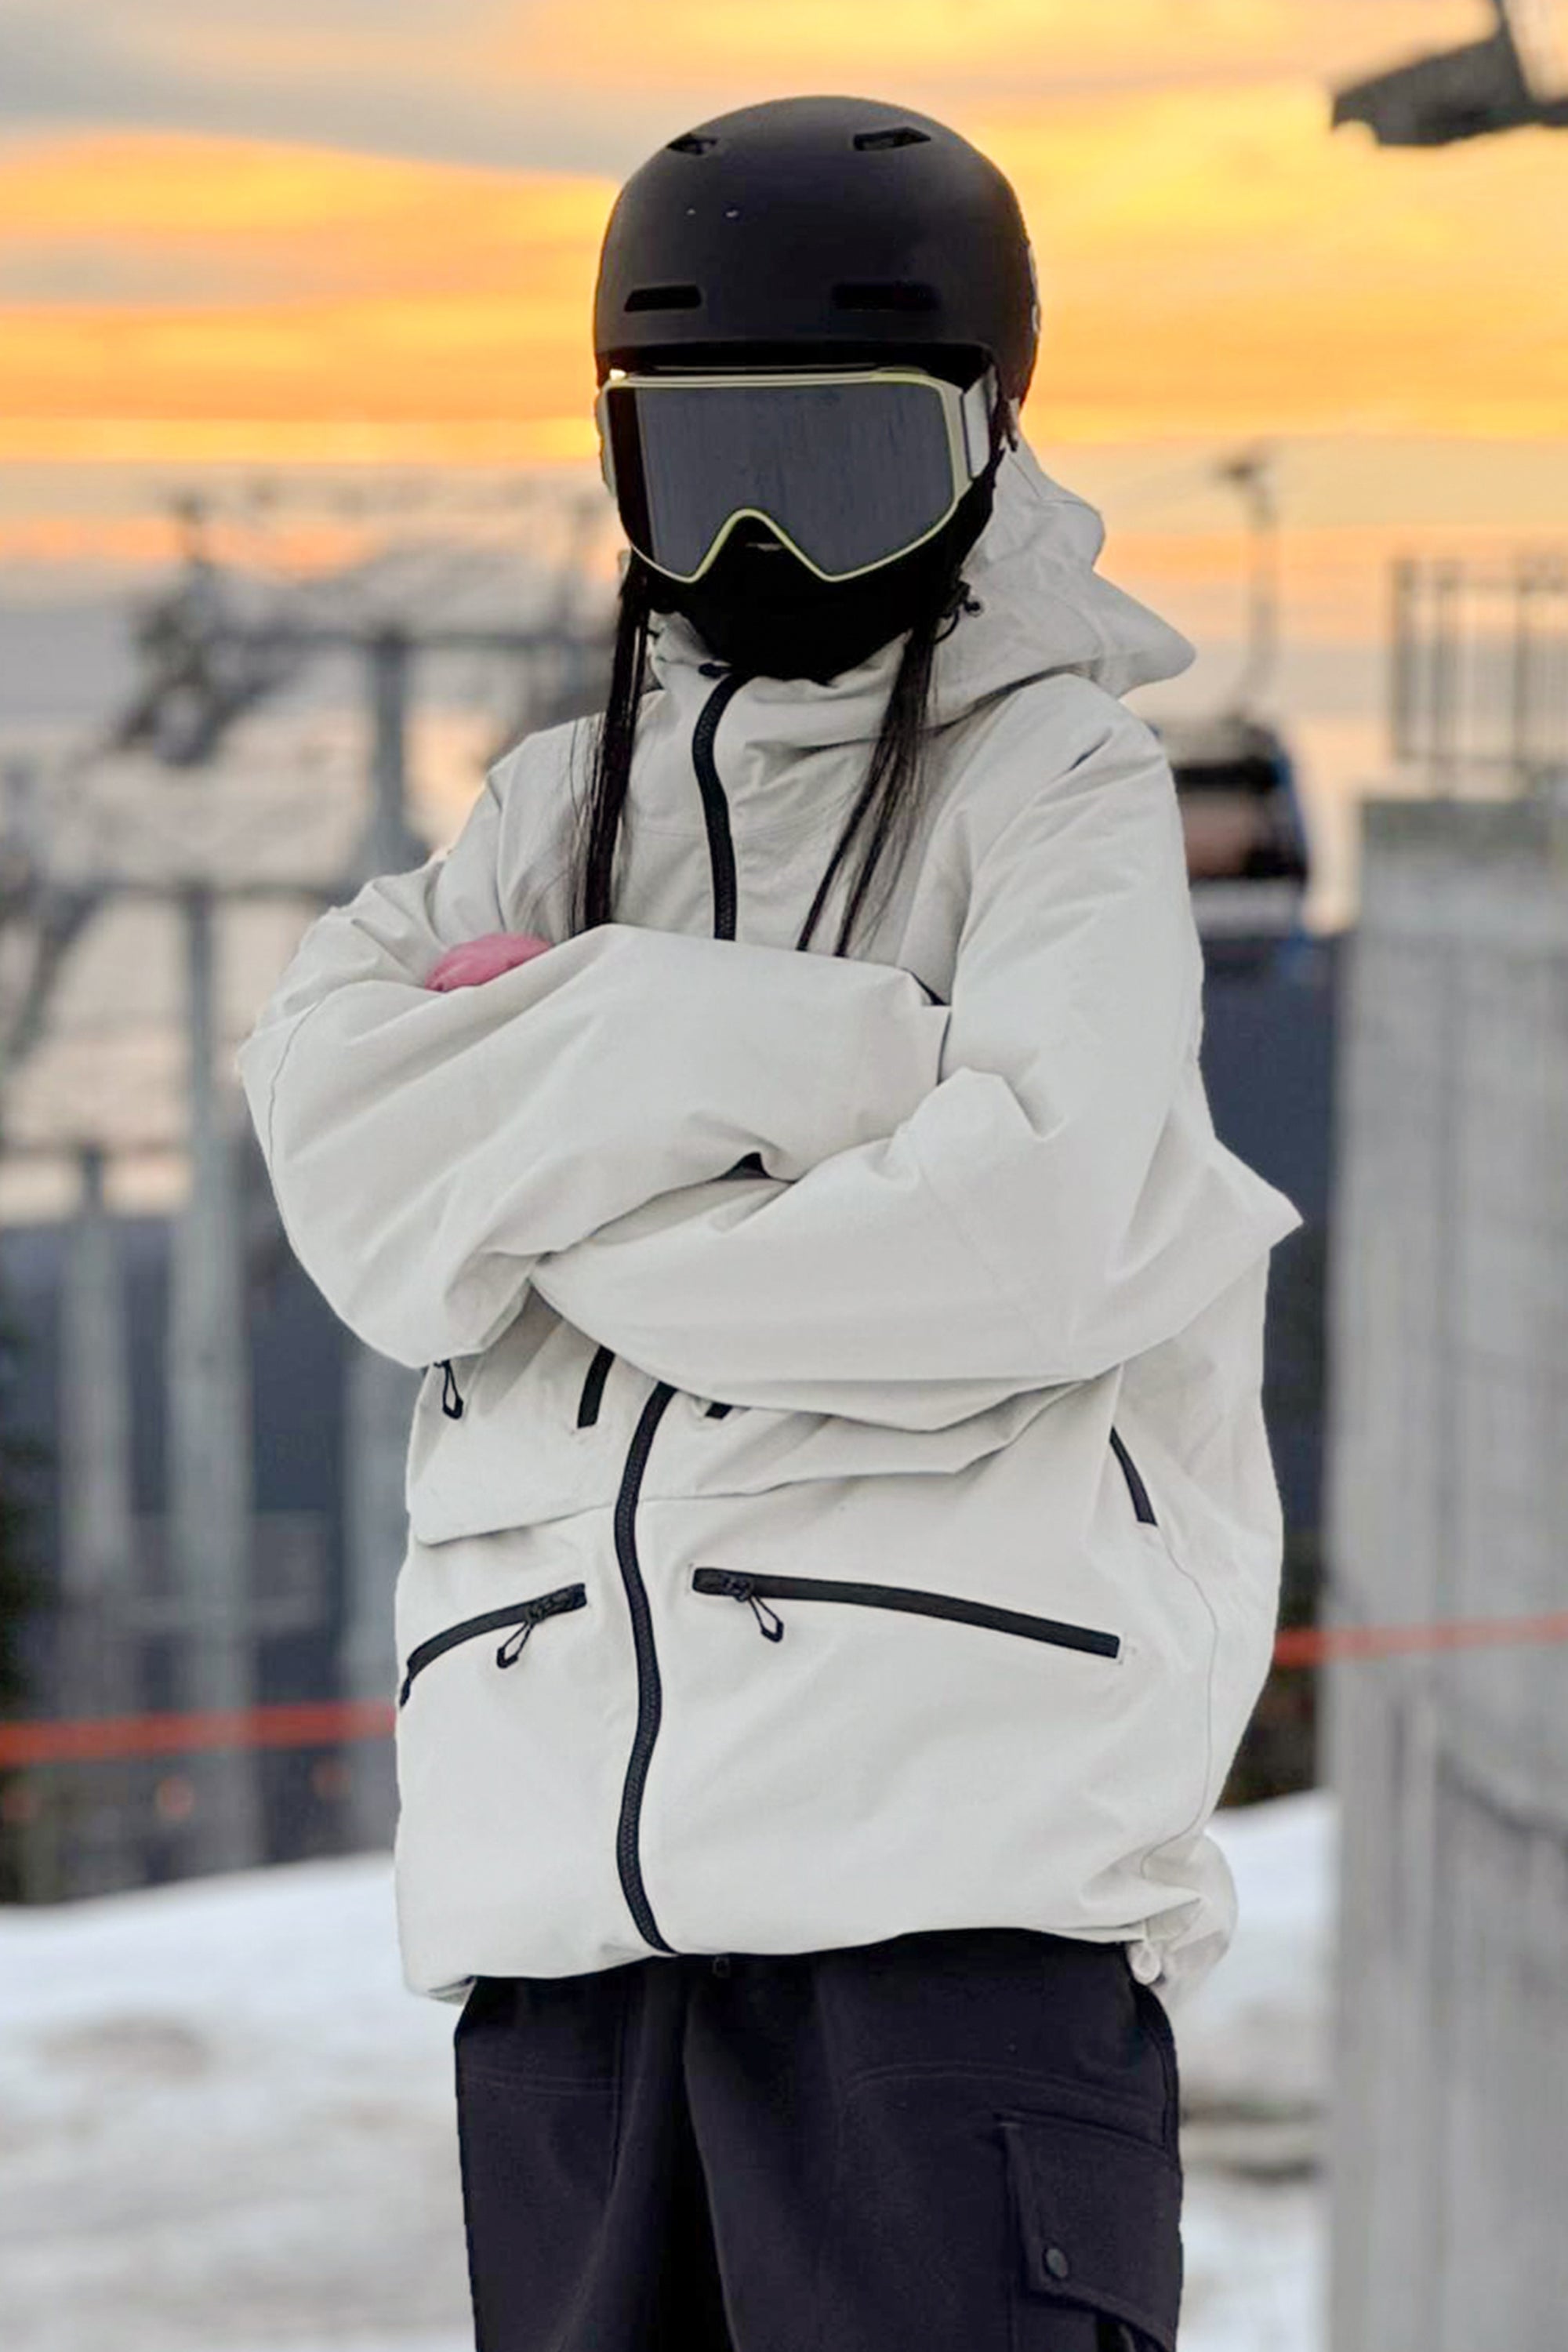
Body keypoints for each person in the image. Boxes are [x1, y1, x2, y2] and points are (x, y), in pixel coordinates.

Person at [237, 93, 1303, 2352]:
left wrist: (558, 1194)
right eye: (697, 465)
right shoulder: (558, 799)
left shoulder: (1059, 780)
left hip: (949, 1921)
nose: (763, 545)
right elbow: (344, 1151)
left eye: (840, 469)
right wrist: (805, 1063)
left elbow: (1030, 1235)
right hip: (560, 1950)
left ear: (990, 437)